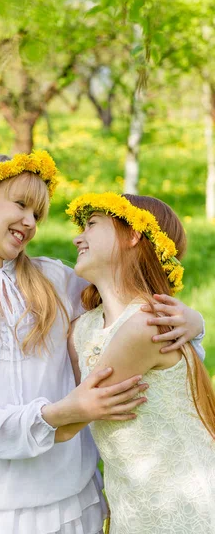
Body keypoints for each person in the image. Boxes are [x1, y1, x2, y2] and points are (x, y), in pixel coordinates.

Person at [0, 153, 205, 534]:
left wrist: (193, 321)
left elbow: (131, 301)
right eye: (21, 205)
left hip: (76, 499)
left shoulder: (55, 278)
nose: (30, 222)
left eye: (38, 213)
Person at [62, 192, 215, 533]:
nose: (77, 237)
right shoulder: (82, 328)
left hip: (183, 506)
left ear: (133, 234)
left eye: (91, 225)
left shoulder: (147, 325)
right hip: (133, 504)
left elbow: (69, 419)